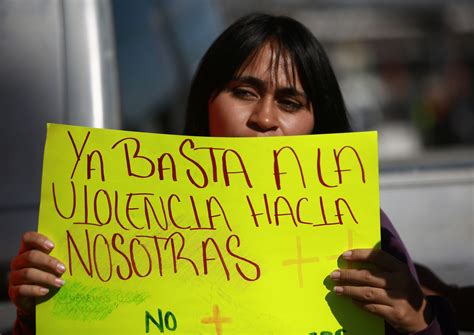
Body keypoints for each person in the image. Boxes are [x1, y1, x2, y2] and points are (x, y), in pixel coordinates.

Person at [9, 13, 457, 334]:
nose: (264, 118)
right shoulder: (126, 224)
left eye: (290, 102)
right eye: (243, 92)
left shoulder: (364, 241)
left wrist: (416, 322)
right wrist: (35, 318)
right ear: (205, 106)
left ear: (317, 125)